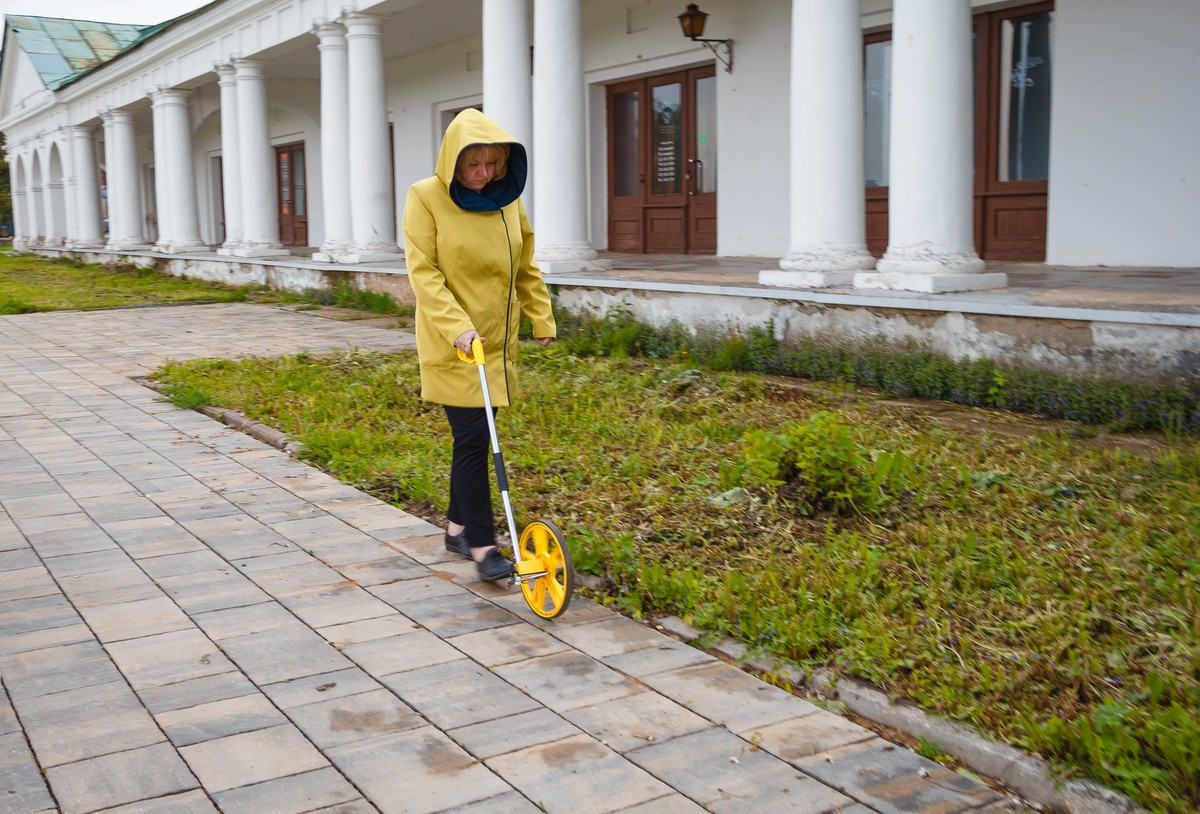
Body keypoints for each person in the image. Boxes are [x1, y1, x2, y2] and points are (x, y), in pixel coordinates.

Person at [402, 108, 556, 582]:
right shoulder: (425, 197)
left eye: (492, 164)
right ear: (453, 162)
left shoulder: (508, 201)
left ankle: (455, 530)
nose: (484, 174)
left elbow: (524, 263)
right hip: (455, 342)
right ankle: (484, 546)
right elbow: (423, 272)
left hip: (498, 341)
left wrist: (540, 315)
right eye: (474, 165)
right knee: (474, 439)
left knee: (476, 436)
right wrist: (457, 328)